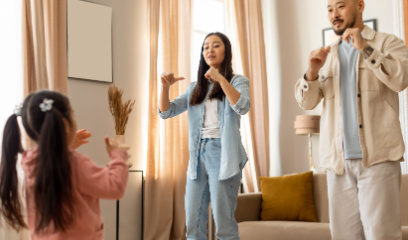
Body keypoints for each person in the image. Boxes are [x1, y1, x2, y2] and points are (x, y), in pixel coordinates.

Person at [295, 0, 408, 239]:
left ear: (360, 5)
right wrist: (312, 72)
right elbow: (307, 102)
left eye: (340, 6)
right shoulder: (328, 54)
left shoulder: (387, 43)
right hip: (337, 164)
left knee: (383, 236)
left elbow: (401, 79)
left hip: (378, 160)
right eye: (329, 9)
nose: (334, 14)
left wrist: (365, 48)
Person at [0, 90, 129, 239]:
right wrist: (118, 155)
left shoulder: (30, 163)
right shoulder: (76, 164)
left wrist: (66, 147)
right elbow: (115, 187)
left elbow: (55, 170)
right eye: (73, 115)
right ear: (65, 124)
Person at [158, 32, 250, 240]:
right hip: (198, 156)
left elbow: (242, 106)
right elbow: (166, 112)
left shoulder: (238, 81)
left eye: (215, 45)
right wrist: (164, 88)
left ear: (226, 51)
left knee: (224, 224)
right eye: (205, 46)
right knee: (192, 223)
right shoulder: (195, 88)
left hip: (224, 154)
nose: (209, 49)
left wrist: (220, 79)